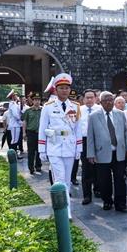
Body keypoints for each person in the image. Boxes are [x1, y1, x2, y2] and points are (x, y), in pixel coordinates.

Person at [38, 73, 83, 220]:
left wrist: (79, 148)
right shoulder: (48, 107)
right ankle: (64, 210)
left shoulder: (75, 106)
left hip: (69, 148)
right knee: (59, 179)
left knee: (68, 180)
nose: (64, 91)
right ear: (56, 90)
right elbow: (42, 128)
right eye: (61, 88)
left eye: (67, 88)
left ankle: (64, 207)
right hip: (54, 147)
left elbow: (78, 130)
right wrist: (41, 149)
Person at [87, 91, 127, 212]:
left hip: (119, 152)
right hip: (102, 153)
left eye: (111, 99)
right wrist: (90, 154)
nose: (109, 102)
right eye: (106, 100)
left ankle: (121, 203)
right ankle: (107, 201)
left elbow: (126, 132)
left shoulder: (120, 114)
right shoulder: (93, 116)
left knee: (120, 179)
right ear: (100, 102)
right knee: (104, 180)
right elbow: (90, 137)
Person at [78, 90, 102, 204]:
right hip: (85, 140)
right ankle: (87, 195)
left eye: (91, 97)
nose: (89, 100)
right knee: (86, 168)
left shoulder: (100, 109)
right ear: (83, 99)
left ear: (95, 98)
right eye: (87, 98)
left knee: (98, 167)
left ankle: (98, 189)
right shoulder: (79, 110)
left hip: (98, 141)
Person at [22, 94, 43, 175]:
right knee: (31, 151)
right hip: (31, 133)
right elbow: (24, 122)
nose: (37, 101)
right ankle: (31, 168)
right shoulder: (28, 111)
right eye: (35, 100)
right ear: (32, 101)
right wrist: (24, 133)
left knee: (39, 151)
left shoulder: (43, 110)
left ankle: (38, 166)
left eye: (38, 100)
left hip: (40, 134)